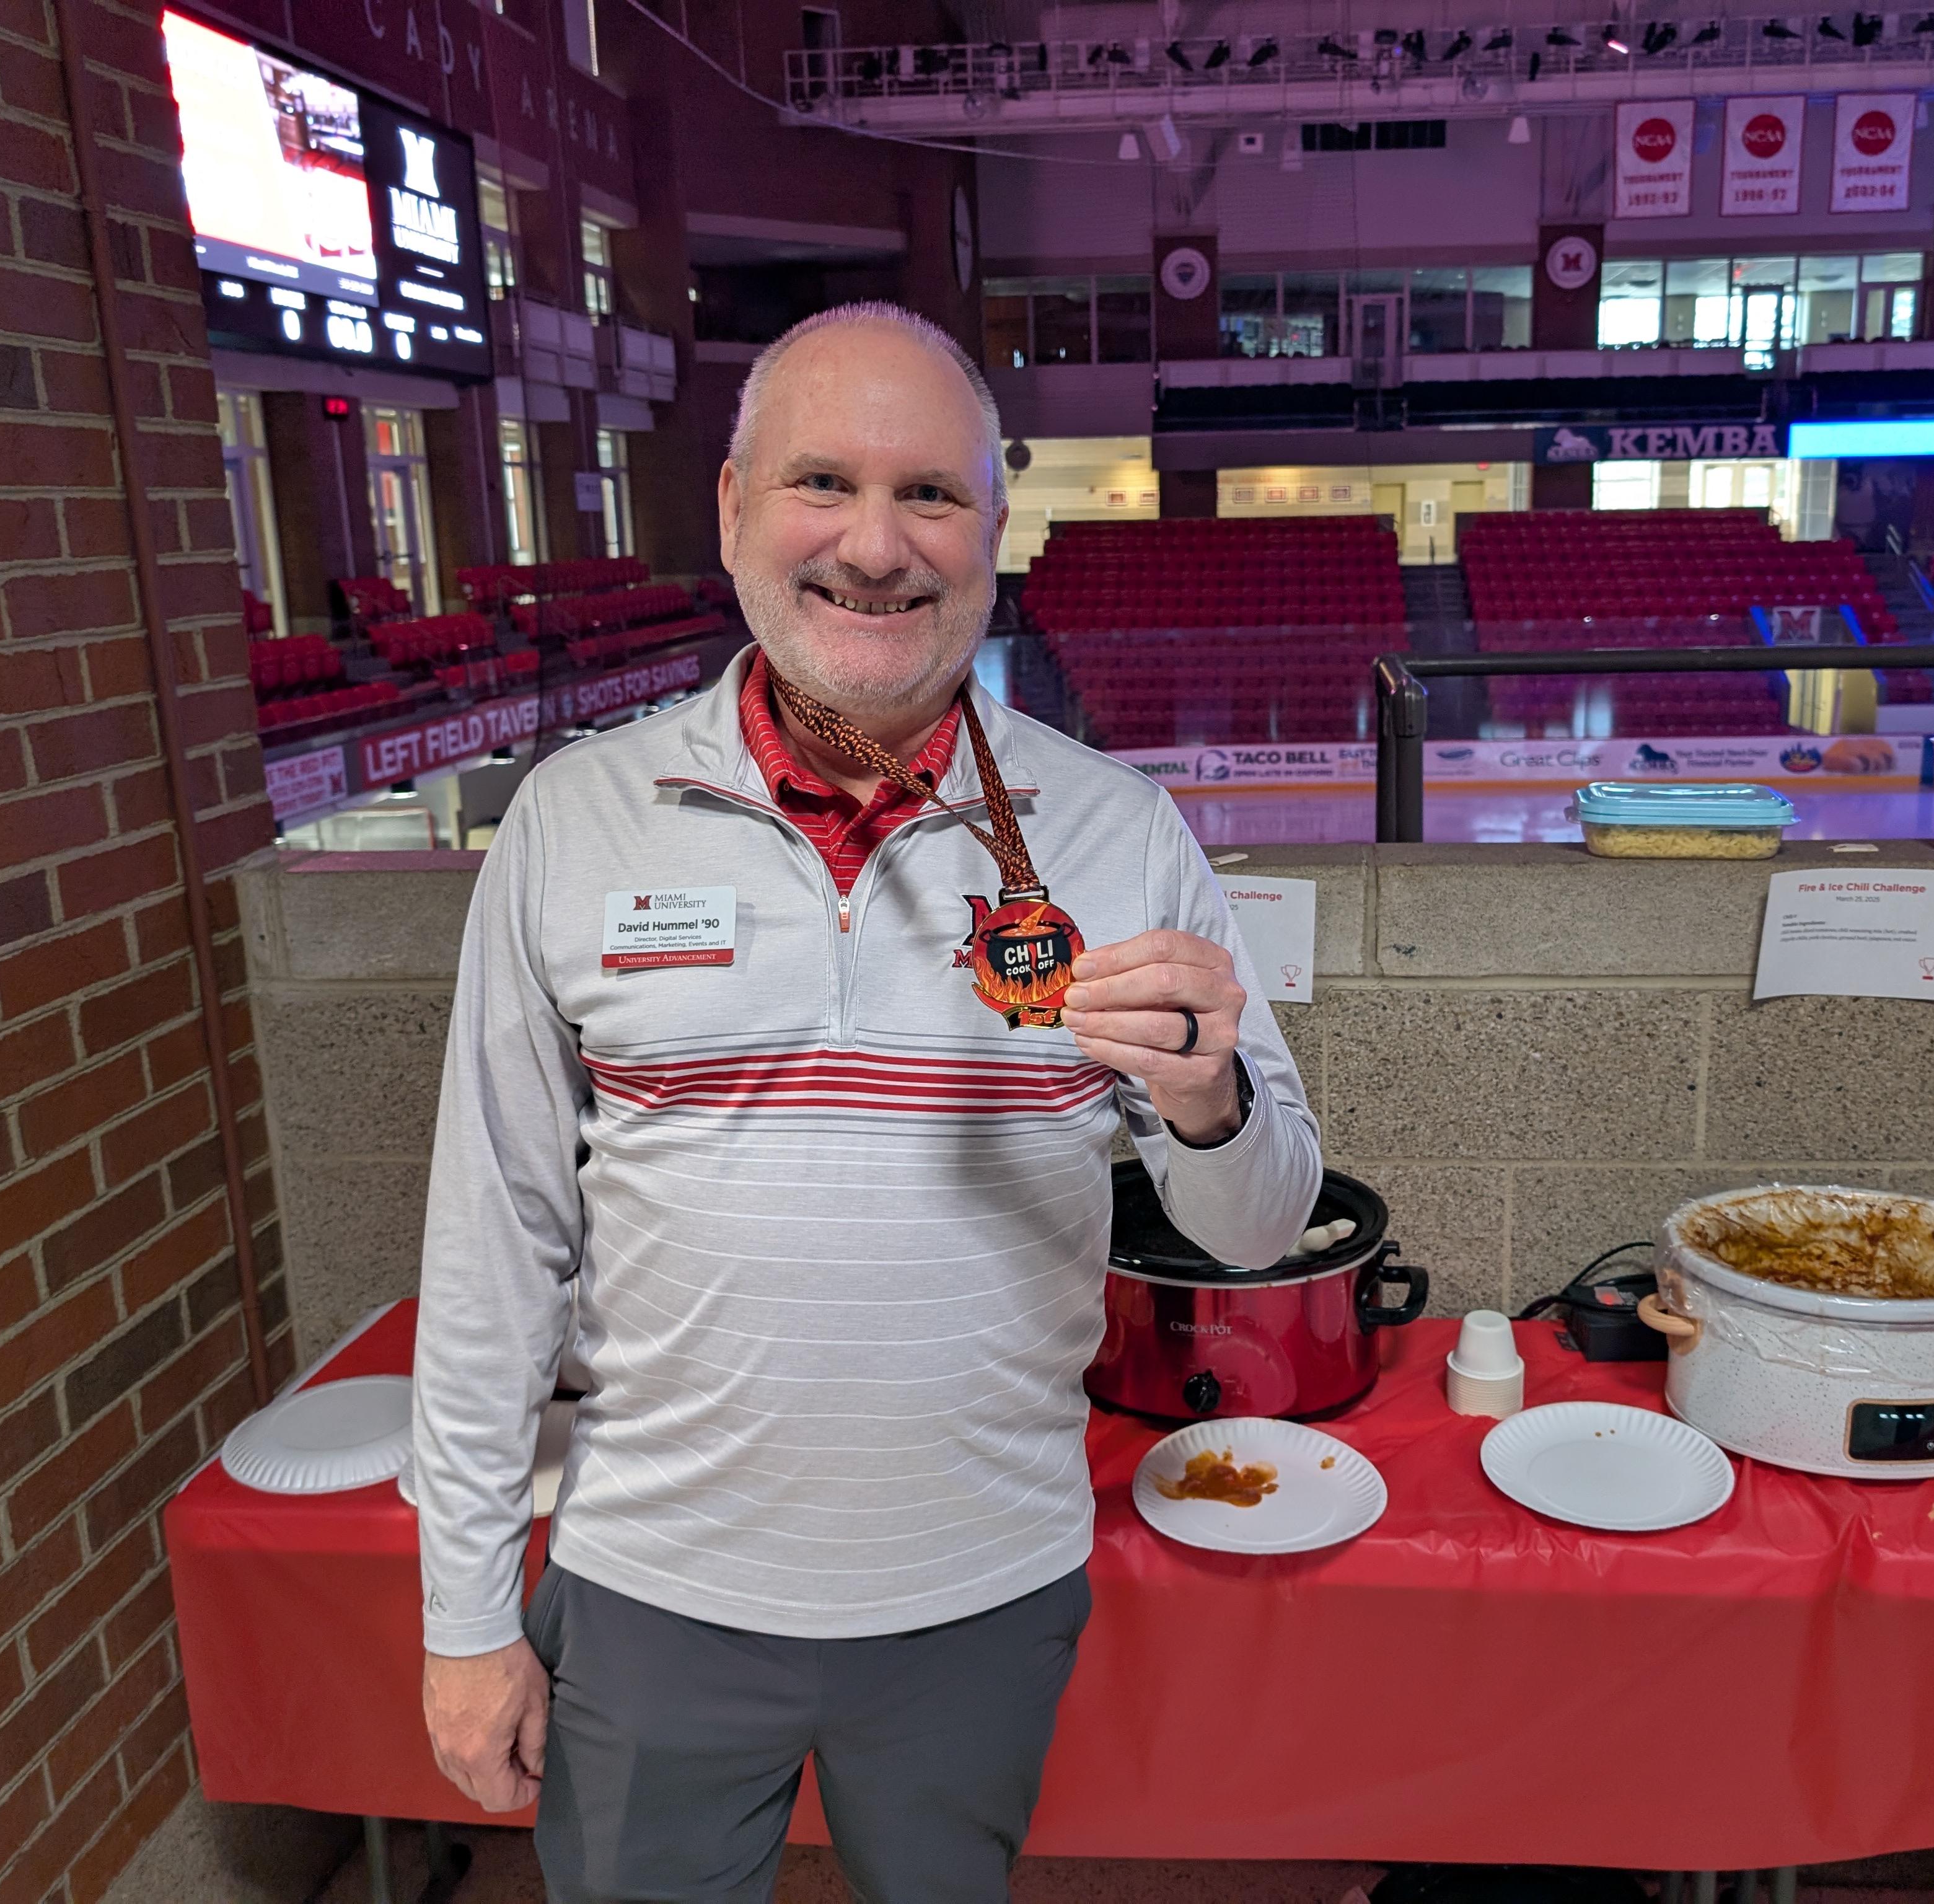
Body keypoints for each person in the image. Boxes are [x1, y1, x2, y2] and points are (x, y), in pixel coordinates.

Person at [411, 301, 1324, 1902]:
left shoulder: (1117, 833)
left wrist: (1207, 1101)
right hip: (652, 1591)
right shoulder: (576, 826)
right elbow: (495, 1253)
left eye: (933, 496)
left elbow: (1259, 1222)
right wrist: (467, 1616)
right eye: (821, 482)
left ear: (995, 528)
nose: (876, 547)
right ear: (733, 510)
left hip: (981, 1591)